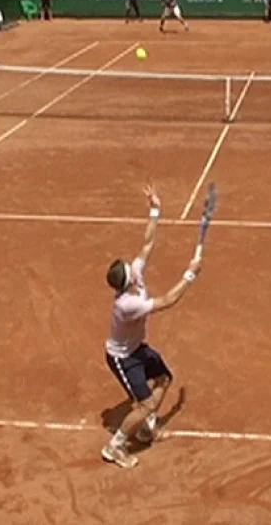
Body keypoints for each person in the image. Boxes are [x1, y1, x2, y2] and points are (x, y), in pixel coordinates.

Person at [101, 184, 203, 469]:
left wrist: (155, 208)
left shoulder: (134, 274)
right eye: (126, 266)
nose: (130, 263)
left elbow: (147, 243)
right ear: (127, 282)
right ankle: (115, 446)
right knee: (145, 404)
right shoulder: (127, 306)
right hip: (123, 357)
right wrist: (190, 275)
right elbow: (169, 300)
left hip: (137, 348)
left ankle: (146, 429)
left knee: (164, 379)